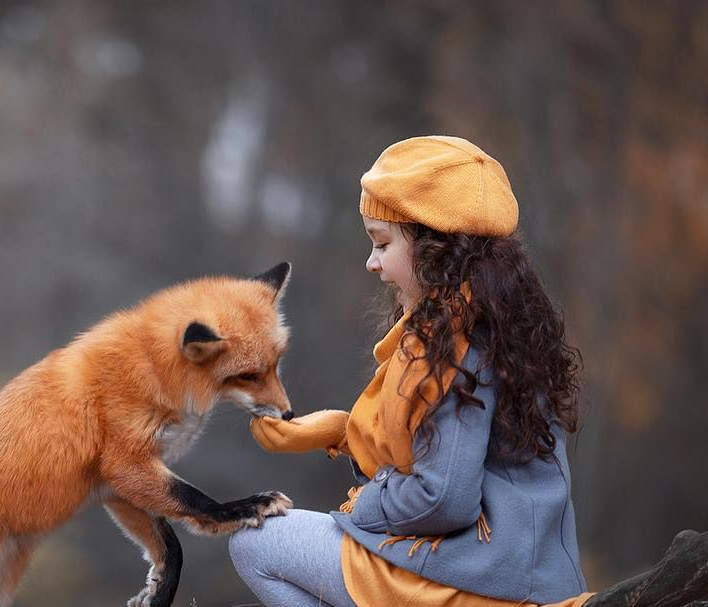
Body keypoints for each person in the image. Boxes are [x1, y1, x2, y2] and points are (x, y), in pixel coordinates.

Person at [228, 136, 708, 607]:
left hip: (477, 586)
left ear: (434, 247)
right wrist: (344, 432)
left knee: (256, 541)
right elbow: (445, 459)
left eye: (382, 243)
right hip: (508, 575)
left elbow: (442, 499)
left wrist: (361, 507)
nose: (372, 263)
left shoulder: (455, 348)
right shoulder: (494, 326)